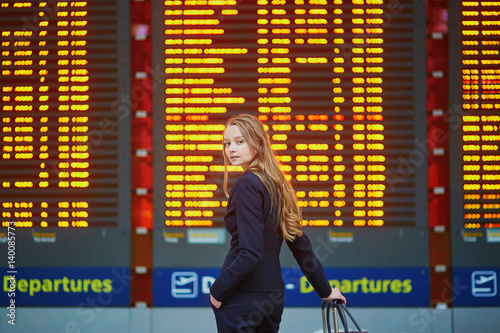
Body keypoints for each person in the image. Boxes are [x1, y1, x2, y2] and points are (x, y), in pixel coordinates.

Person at [210, 114, 346, 333]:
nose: (231, 149)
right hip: (272, 301)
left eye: (239, 141)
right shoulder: (278, 185)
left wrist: (217, 290)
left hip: (241, 298)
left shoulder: (247, 184)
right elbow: (301, 247)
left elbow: (250, 252)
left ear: (258, 142)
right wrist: (325, 290)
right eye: (227, 143)